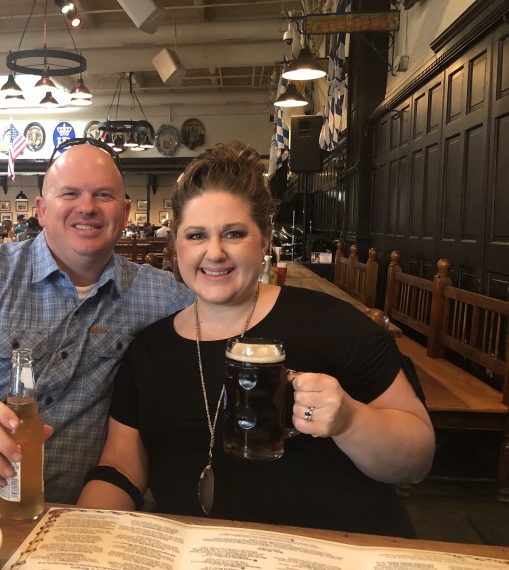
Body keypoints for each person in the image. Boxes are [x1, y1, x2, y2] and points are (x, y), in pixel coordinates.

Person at [77, 142, 435, 538]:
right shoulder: (148, 349)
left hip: (331, 552)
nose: (214, 253)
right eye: (196, 235)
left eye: (233, 233)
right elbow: (122, 467)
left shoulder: (334, 324)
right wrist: (78, 537)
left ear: (264, 239)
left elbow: (417, 458)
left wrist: (350, 420)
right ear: (175, 244)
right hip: (193, 555)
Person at [0, 140, 195, 504]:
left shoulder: (165, 297)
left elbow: (232, 319)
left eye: (103, 195)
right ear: (42, 210)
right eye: (70, 193)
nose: (87, 207)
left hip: (83, 513)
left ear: (125, 212)